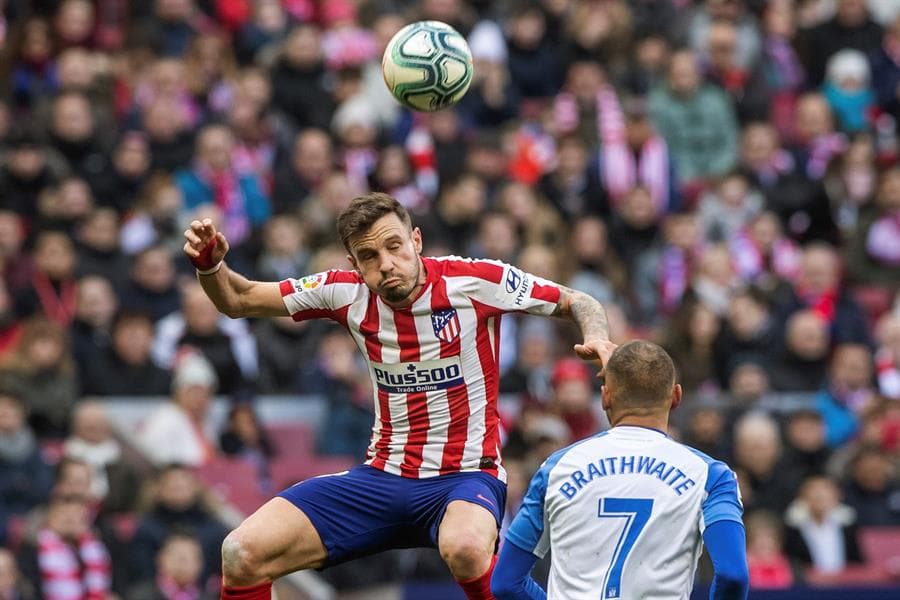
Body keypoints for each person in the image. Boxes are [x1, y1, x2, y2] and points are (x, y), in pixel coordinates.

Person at [182, 192, 616, 600]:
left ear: (416, 240)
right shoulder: (344, 292)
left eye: (395, 246)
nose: (386, 264)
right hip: (382, 477)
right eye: (369, 256)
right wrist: (209, 267)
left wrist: (598, 338)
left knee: (465, 548)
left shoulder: (474, 281)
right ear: (354, 263)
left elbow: (578, 301)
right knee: (240, 553)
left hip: (465, 475)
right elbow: (238, 299)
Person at [491, 341, 749, 600]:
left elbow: (506, 582)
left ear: (605, 396)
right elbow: (733, 575)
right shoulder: (711, 476)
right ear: (676, 396)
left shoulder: (556, 468)